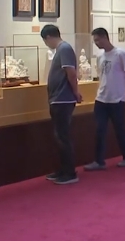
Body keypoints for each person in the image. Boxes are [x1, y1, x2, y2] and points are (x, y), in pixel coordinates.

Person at [83, 28, 125, 171]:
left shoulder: (120, 54)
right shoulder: (100, 56)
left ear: (105, 38)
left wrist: (118, 85)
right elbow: (101, 75)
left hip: (116, 99)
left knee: (119, 128)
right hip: (101, 98)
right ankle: (99, 160)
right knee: (99, 130)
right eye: (94, 41)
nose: (96, 43)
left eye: (98, 40)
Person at [40, 24, 83, 185]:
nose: (46, 44)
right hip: (58, 98)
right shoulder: (61, 50)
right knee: (59, 137)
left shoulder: (64, 49)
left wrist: (76, 92)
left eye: (45, 41)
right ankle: (62, 169)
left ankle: (70, 172)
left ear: (49, 37)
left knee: (63, 137)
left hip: (63, 99)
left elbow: (71, 73)